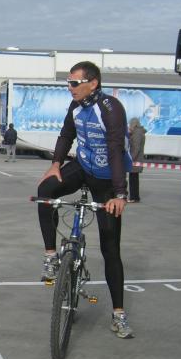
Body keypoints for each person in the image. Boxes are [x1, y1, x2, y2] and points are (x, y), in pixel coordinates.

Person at [36, 61, 134, 339]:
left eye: (74, 83)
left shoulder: (111, 109)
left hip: (107, 178)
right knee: (45, 192)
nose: (70, 87)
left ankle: (118, 315)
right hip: (83, 167)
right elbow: (66, 134)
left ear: (93, 83)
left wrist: (120, 193)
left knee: (110, 248)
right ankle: (51, 257)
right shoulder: (76, 106)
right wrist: (56, 164)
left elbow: (116, 151)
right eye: (68, 82)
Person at [128, 118, 146, 203]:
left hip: (135, 159)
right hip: (137, 158)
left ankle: (134, 197)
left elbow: (136, 147)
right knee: (134, 178)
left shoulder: (137, 133)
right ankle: (134, 197)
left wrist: (130, 158)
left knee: (133, 179)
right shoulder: (139, 132)